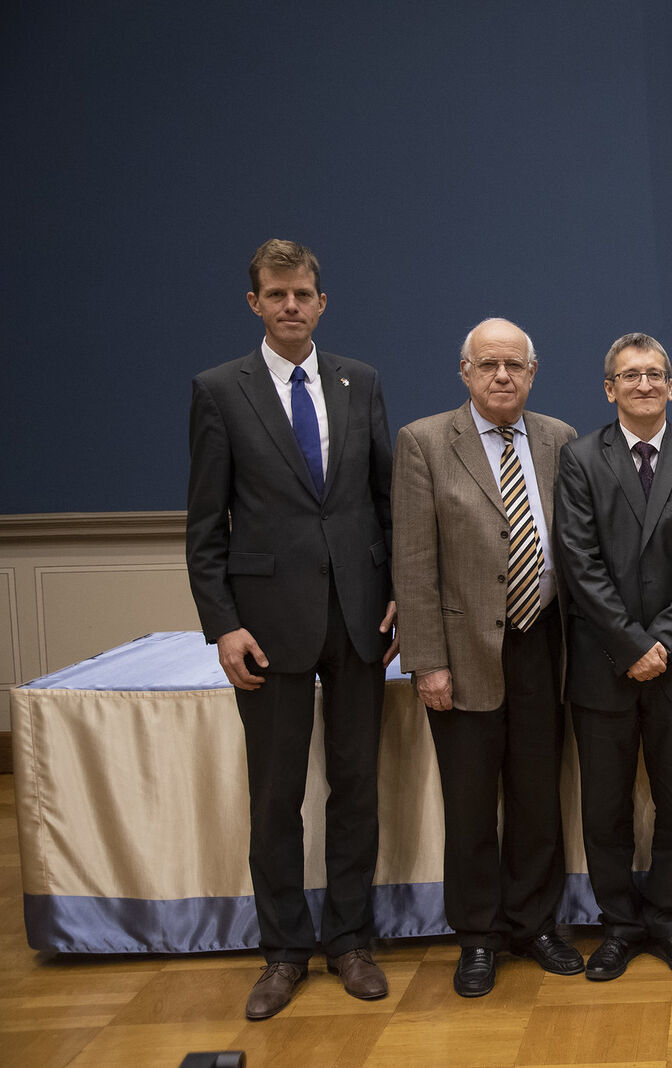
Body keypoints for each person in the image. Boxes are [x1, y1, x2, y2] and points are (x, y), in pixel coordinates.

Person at [186, 239, 395, 1019]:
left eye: (303, 294)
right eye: (276, 295)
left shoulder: (360, 382)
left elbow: (384, 499)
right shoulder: (219, 391)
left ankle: (349, 941)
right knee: (276, 797)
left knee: (355, 788)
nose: (291, 306)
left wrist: (400, 591)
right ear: (255, 305)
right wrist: (223, 626)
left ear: (322, 301)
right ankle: (283, 952)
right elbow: (206, 523)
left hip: (358, 615)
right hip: (268, 627)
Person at [391, 318, 581, 997]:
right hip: (464, 653)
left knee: (538, 800)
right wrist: (427, 662)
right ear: (465, 373)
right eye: (488, 365)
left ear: (533, 374)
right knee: (471, 806)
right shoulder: (424, 442)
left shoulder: (560, 439)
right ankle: (478, 936)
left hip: (544, 647)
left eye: (515, 366)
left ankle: (534, 925)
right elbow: (413, 564)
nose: (502, 377)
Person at [555, 332, 672, 981]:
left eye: (655, 374)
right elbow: (577, 560)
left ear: (670, 384)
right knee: (605, 809)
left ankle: (668, 919)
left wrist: (665, 642)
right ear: (609, 388)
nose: (643, 384)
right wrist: (631, 644)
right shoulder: (579, 459)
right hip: (604, 665)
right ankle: (619, 925)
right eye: (629, 375)